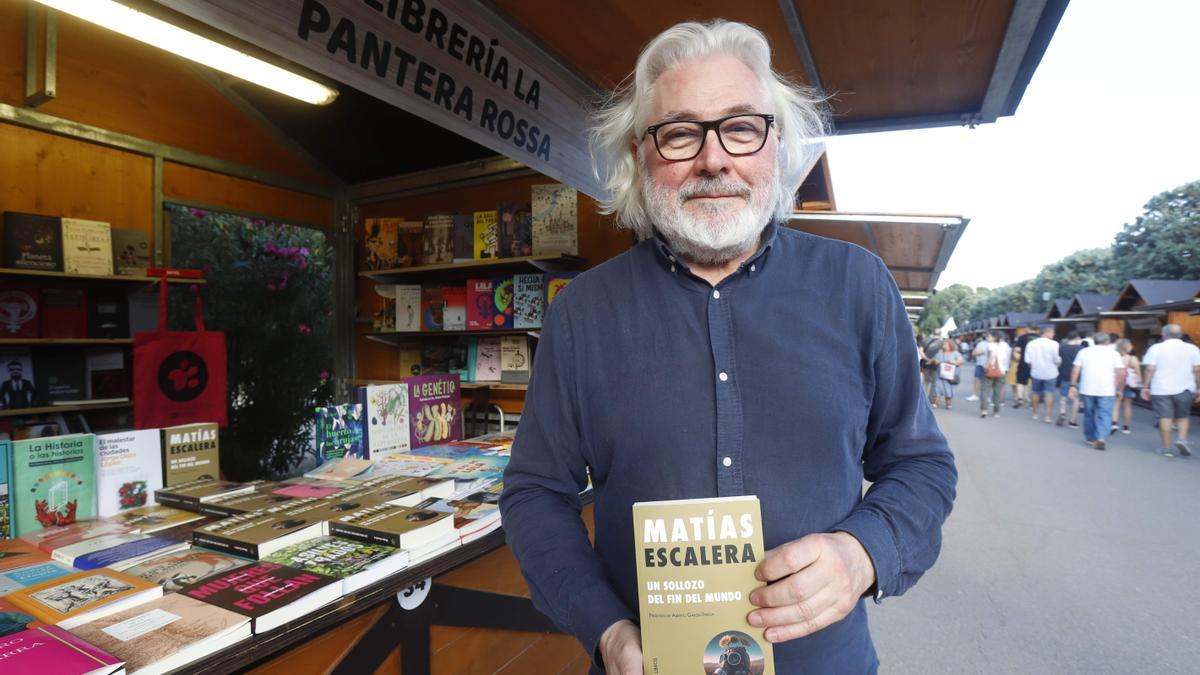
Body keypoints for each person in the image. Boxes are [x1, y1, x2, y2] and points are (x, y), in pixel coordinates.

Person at [499, 20, 957, 674]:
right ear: (639, 155)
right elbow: (536, 493)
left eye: (741, 127)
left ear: (777, 146)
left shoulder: (857, 285)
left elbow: (921, 465)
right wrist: (606, 630)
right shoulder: (580, 314)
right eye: (681, 132)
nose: (714, 159)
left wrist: (862, 554)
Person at [1140, 324, 1200, 457]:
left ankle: (1166, 448)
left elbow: (1150, 368)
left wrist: (1145, 386)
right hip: (1185, 387)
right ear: (1180, 334)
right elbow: (1197, 370)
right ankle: (1182, 439)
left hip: (1161, 388)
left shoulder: (1156, 348)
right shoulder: (1192, 349)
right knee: (1183, 416)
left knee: (1165, 417)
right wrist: (1198, 387)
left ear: (1163, 334)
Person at [1069, 332, 1125, 450]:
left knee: (1089, 414)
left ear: (1094, 341)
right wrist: (1119, 388)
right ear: (1107, 341)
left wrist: (1073, 385)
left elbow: (1076, 369)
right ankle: (1101, 438)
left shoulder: (1084, 352)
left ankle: (1090, 437)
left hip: (1087, 388)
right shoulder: (1114, 354)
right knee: (1104, 414)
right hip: (1107, 389)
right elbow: (1120, 373)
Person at [1023, 326, 1060, 423]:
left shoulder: (1031, 344)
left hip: (1036, 372)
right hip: (1051, 373)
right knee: (1049, 393)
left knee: (1035, 392)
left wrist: (1033, 367)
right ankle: (1047, 416)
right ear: (1047, 332)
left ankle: (1035, 413)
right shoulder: (1054, 344)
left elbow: (1027, 360)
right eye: (1052, 332)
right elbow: (1057, 359)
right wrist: (1057, 364)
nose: (1053, 334)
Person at [1056, 331, 1084, 428]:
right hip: (1078, 376)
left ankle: (1062, 412)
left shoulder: (1061, 347)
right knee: (1076, 398)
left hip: (1064, 373)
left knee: (1063, 396)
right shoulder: (1081, 349)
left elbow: (1058, 360)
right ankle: (1072, 420)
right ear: (1077, 338)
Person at [1114, 339, 1141, 435]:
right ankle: (1126, 427)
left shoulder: (1115, 357)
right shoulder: (1133, 359)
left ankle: (1114, 423)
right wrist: (1140, 383)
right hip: (1129, 384)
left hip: (1117, 382)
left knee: (1116, 403)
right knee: (1127, 405)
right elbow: (1138, 373)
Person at [931, 339, 964, 410]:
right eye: (944, 344)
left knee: (949, 390)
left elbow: (961, 361)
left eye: (945, 344)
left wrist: (954, 361)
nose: (944, 346)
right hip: (939, 375)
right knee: (937, 389)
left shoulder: (955, 353)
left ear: (950, 346)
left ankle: (948, 404)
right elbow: (934, 359)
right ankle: (935, 404)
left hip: (950, 376)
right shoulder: (940, 352)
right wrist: (935, 361)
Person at [1013, 326, 1035, 408]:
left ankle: (1020, 399)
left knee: (1021, 382)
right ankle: (1032, 400)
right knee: (1034, 383)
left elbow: (1017, 350)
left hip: (1024, 363)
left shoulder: (1022, 337)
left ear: (1027, 329)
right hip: (1037, 365)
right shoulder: (1040, 338)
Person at [967, 335, 988, 402]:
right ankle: (975, 395)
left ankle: (987, 397)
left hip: (989, 365)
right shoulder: (981, 343)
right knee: (977, 379)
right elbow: (974, 353)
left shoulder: (995, 344)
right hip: (980, 364)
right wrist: (980, 352)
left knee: (988, 382)